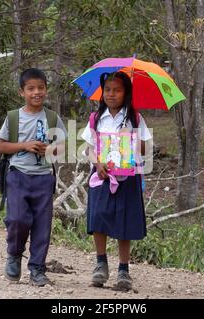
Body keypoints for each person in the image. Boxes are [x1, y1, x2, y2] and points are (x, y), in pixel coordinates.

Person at [80, 71, 152, 290]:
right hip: (102, 176)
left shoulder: (135, 118)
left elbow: (146, 148)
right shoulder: (96, 118)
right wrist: (97, 163)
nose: (111, 94)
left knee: (124, 220)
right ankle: (101, 263)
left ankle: (123, 270)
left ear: (126, 93)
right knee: (99, 216)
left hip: (127, 178)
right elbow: (88, 148)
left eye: (117, 90)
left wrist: (131, 138)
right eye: (108, 90)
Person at [0, 68, 66, 286]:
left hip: (44, 178)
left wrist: (48, 150)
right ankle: (14, 255)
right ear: (22, 92)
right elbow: (1, 145)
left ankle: (37, 268)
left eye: (41, 88)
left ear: (46, 89)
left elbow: (63, 149)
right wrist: (25, 146)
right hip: (18, 176)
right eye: (31, 88)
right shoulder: (13, 117)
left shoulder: (53, 118)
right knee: (17, 219)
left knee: (42, 225)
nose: (36, 92)